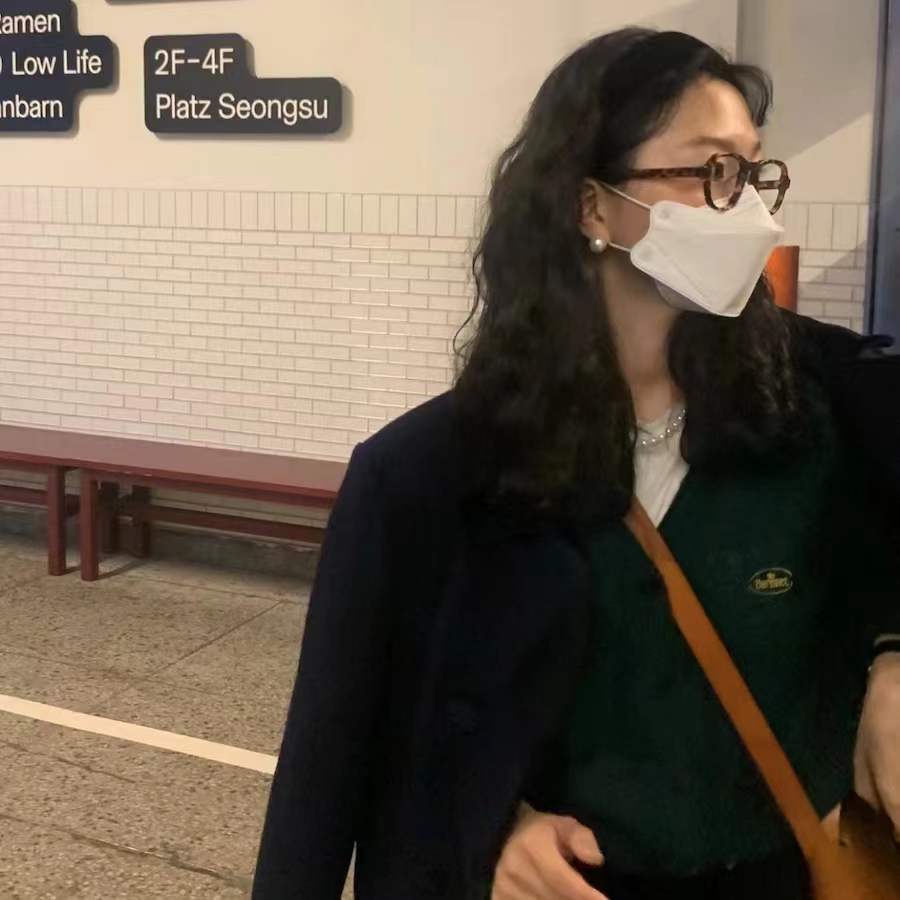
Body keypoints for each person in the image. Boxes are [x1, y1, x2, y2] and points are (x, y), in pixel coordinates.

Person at [251, 28, 900, 900]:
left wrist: (892, 657)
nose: (747, 208)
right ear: (592, 207)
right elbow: (345, 758)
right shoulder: (428, 476)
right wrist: (492, 827)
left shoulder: (824, 411)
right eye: (710, 171)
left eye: (753, 172)